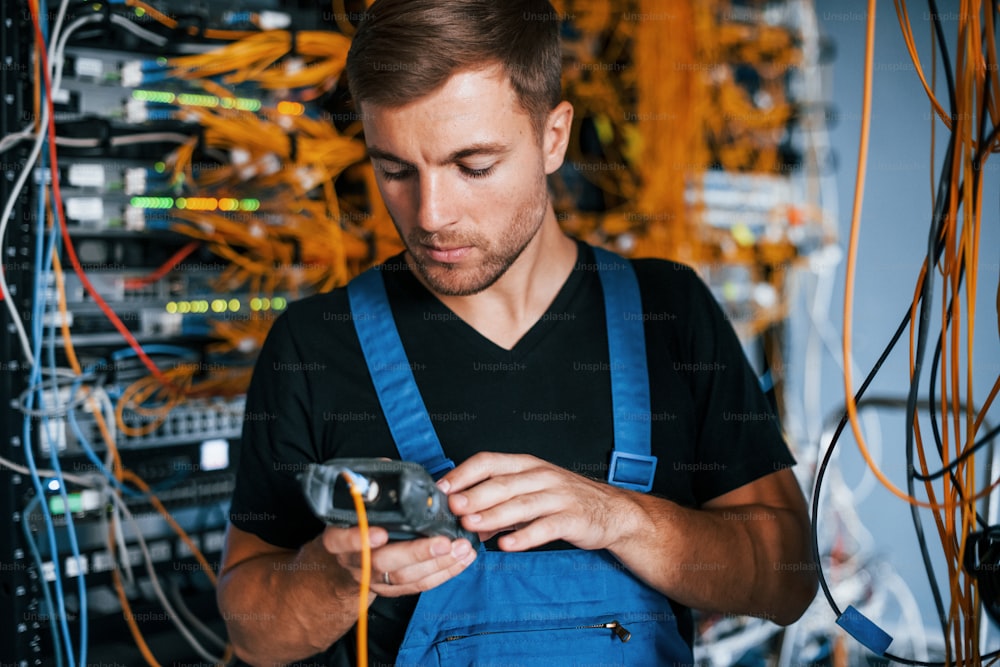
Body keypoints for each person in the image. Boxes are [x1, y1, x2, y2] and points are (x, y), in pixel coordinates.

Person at [216, 0, 818, 664]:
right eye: (395, 170)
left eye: (473, 166)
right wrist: (333, 578)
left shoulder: (667, 313)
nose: (432, 215)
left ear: (552, 137)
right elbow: (252, 629)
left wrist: (621, 518)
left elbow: (788, 578)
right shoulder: (314, 342)